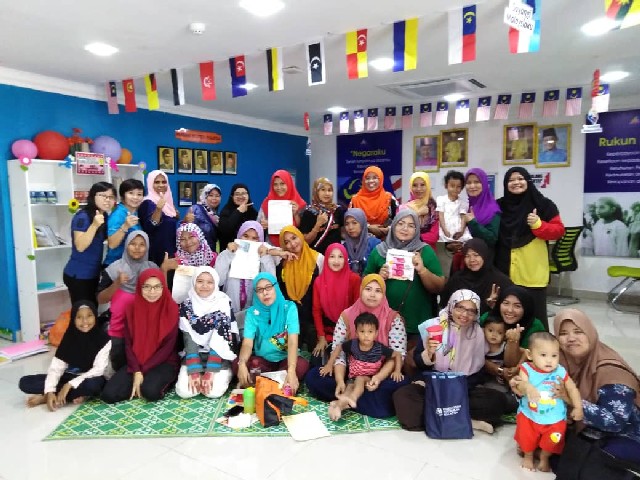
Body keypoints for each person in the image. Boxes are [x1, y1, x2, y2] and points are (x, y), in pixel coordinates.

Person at [393, 289, 510, 433]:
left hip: (462, 387)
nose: (465, 314)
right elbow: (418, 363)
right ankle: (465, 420)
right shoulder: (433, 327)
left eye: (471, 311)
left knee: (496, 401)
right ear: (451, 306)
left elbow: (478, 372)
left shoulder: (478, 333)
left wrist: (456, 389)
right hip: (433, 385)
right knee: (403, 397)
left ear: (476, 313)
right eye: (460, 308)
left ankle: (439, 418)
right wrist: (429, 353)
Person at [546, 309, 640, 476]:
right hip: (591, 432)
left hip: (627, 435)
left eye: (578, 331)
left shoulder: (611, 372)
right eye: (563, 333)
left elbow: (615, 422)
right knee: (550, 448)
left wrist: (573, 401)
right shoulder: (562, 361)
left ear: (590, 333)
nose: (571, 338)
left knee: (588, 464)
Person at [305, 274, 408, 418]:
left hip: (381, 374)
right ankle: (355, 398)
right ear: (361, 290)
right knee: (313, 377)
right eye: (368, 289)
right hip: (351, 371)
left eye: (378, 291)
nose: (372, 294)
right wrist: (340, 380)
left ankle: (344, 400)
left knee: (400, 385)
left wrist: (378, 378)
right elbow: (339, 352)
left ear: (384, 294)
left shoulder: (393, 319)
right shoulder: (347, 316)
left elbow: (397, 355)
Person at [496, 167, 565, 325]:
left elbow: (558, 231)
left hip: (532, 273)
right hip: (504, 272)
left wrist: (538, 225)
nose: (516, 183)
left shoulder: (544, 205)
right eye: (511, 180)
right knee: (506, 319)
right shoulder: (499, 206)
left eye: (520, 179)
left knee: (535, 320)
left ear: (528, 181)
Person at [101, 269, 179, 404]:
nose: (152, 291)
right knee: (108, 395)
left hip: (163, 361)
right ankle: (141, 382)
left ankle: (158, 381)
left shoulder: (171, 308)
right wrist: (136, 370)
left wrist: (142, 370)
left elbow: (167, 348)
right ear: (139, 287)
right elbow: (128, 344)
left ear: (163, 287)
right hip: (136, 361)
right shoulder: (132, 308)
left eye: (157, 287)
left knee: (150, 392)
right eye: (147, 287)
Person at [363, 210, 444, 339]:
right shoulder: (379, 251)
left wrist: (422, 270)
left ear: (416, 230)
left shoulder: (425, 251)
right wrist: (378, 277)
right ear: (394, 225)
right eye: (400, 223)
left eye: (411, 226)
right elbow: (364, 283)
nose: (405, 228)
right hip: (383, 322)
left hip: (417, 324)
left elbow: (439, 287)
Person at [19, 301, 110, 410]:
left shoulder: (104, 340)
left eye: (89, 316)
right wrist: (50, 390)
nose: (85, 321)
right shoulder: (69, 337)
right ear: (73, 320)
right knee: (25, 382)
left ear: (95, 316)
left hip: (89, 378)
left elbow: (98, 370)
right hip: (69, 375)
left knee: (93, 386)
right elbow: (56, 367)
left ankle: (49, 397)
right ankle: (60, 395)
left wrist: (69, 385)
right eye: (79, 317)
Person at [514, 332, 583, 472]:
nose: (549, 361)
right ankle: (528, 456)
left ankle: (544, 457)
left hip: (554, 417)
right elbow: (520, 384)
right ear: (530, 355)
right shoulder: (526, 369)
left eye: (554, 355)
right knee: (526, 436)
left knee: (553, 440)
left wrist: (578, 407)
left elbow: (572, 388)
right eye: (543, 355)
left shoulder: (560, 371)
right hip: (530, 415)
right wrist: (528, 387)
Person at [233, 273, 309, 394]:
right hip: (263, 359)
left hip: (285, 359)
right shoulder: (252, 313)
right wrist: (241, 364)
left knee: (301, 365)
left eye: (268, 287)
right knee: (237, 364)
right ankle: (278, 382)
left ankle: (263, 382)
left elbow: (292, 342)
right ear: (256, 293)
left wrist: (291, 370)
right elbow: (247, 343)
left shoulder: (289, 308)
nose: (265, 293)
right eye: (260, 290)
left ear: (276, 287)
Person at [321, 312, 403, 421]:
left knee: (359, 380)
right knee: (347, 390)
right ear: (356, 333)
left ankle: (353, 398)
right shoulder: (353, 344)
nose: (366, 335)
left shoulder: (379, 348)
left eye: (370, 332)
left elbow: (397, 354)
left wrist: (397, 371)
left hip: (369, 379)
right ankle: (338, 407)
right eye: (362, 331)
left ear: (376, 333)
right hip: (352, 378)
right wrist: (329, 364)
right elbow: (339, 347)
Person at [97, 231, 158, 371]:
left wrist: (164, 270)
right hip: (119, 333)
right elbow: (100, 299)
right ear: (126, 246)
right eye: (133, 244)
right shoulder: (114, 269)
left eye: (142, 244)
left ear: (147, 247)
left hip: (145, 333)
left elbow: (162, 297)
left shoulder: (152, 269)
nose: (137, 248)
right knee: (120, 371)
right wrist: (117, 283)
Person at [176, 267, 239, 399]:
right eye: (200, 281)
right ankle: (198, 373)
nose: (204, 286)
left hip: (219, 355)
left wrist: (210, 371)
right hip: (194, 354)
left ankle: (224, 372)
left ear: (215, 284)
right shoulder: (186, 305)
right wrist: (194, 371)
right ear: (194, 282)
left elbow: (222, 339)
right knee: (185, 392)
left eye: (210, 282)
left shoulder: (223, 303)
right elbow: (188, 338)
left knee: (213, 392)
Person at [63, 182, 116, 304]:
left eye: (111, 197)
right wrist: (94, 225)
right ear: (93, 196)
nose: (107, 200)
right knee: (83, 312)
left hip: (93, 273)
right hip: (79, 275)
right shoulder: (83, 216)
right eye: (103, 196)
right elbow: (80, 246)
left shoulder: (104, 215)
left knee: (92, 310)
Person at [215, 221, 276, 328]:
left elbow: (271, 282)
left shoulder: (264, 257)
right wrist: (228, 254)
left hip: (254, 312)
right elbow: (218, 280)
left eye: (255, 238)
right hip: (230, 310)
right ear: (239, 236)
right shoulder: (229, 253)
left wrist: (265, 257)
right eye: (246, 236)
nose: (249, 241)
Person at [275, 226, 324, 352]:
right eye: (287, 242)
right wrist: (279, 253)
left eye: (294, 238)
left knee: (314, 355)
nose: (292, 244)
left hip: (312, 318)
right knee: (285, 355)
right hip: (289, 319)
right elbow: (261, 250)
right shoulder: (282, 262)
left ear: (301, 236)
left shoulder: (318, 258)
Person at [311, 243, 361, 365]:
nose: (336, 261)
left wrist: (350, 334)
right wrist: (321, 337)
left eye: (340, 256)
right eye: (332, 256)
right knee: (316, 362)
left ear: (345, 259)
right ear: (326, 258)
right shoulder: (319, 281)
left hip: (349, 331)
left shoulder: (354, 279)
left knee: (349, 363)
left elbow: (357, 310)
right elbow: (316, 311)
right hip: (328, 332)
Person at [439, 238, 513, 315]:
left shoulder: (500, 281)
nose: (472, 260)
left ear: (484, 256)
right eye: (467, 256)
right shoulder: (457, 279)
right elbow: (445, 307)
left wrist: (493, 305)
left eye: (476, 255)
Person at [139, 170, 186, 267]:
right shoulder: (148, 203)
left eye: (164, 182)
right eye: (157, 182)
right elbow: (149, 227)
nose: (161, 185)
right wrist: (158, 209)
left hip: (171, 251)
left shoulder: (168, 202)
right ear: (150, 183)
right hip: (156, 253)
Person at [479, 285, 547, 349]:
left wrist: (513, 341)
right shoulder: (489, 317)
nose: (510, 310)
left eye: (517, 306)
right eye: (506, 303)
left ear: (526, 308)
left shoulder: (535, 326)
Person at [257, 170, 306, 247]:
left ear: (289, 183)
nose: (279, 188)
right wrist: (263, 225)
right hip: (271, 246)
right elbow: (258, 225)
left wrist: (296, 214)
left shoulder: (298, 203)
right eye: (275, 184)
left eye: (282, 184)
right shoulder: (267, 202)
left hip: (294, 246)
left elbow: (303, 228)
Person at [349, 166, 398, 239]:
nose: (371, 181)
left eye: (375, 178)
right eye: (367, 178)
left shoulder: (389, 198)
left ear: (380, 179)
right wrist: (368, 227)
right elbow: (350, 222)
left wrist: (386, 230)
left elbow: (398, 220)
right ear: (363, 180)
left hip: (386, 240)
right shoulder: (355, 200)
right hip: (361, 241)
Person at [299, 177, 345, 255]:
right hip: (315, 256)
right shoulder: (308, 212)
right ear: (316, 191)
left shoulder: (337, 210)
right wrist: (318, 225)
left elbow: (344, 234)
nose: (327, 193)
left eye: (329, 190)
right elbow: (305, 241)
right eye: (323, 190)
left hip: (335, 257)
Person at [104, 179, 144, 266]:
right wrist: (125, 226)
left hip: (130, 264)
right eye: (131, 193)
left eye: (139, 194)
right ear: (123, 195)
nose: (135, 197)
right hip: (115, 265)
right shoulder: (118, 214)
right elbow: (112, 244)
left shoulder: (134, 211)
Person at [399, 172, 439, 251]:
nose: (418, 189)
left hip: (428, 251)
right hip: (407, 251)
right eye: (415, 185)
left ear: (428, 186)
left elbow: (434, 237)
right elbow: (400, 234)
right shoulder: (403, 208)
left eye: (422, 185)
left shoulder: (433, 208)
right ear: (411, 187)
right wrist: (417, 213)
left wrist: (411, 237)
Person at [463, 168, 501, 247]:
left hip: (485, 253)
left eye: (476, 182)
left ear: (484, 184)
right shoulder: (466, 206)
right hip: (466, 252)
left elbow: (493, 239)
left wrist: (473, 222)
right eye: (468, 183)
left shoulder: (492, 209)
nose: (472, 186)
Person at [217, 183, 258, 251]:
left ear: (248, 195)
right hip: (230, 252)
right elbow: (225, 231)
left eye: (244, 193)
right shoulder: (226, 211)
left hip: (249, 252)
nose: (240, 196)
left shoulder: (253, 212)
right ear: (232, 196)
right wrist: (238, 212)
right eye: (237, 194)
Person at [342, 208, 380, 276]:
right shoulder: (343, 247)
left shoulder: (375, 244)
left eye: (354, 223)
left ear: (362, 223)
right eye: (347, 224)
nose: (350, 227)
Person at [437, 170, 472, 243]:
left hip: (458, 227)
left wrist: (461, 231)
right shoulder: (441, 199)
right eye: (452, 186)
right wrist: (445, 230)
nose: (455, 189)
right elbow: (441, 216)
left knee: (464, 241)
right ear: (446, 186)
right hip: (445, 227)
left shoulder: (463, 202)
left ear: (462, 188)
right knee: (444, 242)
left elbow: (463, 217)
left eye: (458, 186)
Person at [192, 184, 222, 252]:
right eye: (211, 195)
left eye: (217, 196)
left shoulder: (216, 216)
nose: (214, 198)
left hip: (211, 253)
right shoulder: (196, 209)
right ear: (205, 196)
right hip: (196, 253)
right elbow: (185, 229)